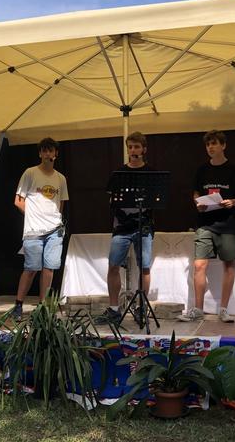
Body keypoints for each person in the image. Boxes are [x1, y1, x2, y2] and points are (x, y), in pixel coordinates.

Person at [178, 130, 235, 323]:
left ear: (223, 145)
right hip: (205, 223)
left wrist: (234, 201)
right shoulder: (201, 170)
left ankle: (223, 309)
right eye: (208, 144)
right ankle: (198, 309)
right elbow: (195, 194)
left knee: (229, 265)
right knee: (199, 264)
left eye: (214, 143)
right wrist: (197, 203)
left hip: (229, 224)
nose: (210, 147)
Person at [95, 132, 154, 325]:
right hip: (122, 227)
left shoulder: (151, 173)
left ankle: (141, 308)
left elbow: (156, 200)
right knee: (113, 266)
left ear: (144, 149)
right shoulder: (118, 174)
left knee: (144, 267)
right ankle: (114, 309)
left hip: (143, 226)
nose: (133, 150)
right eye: (130, 147)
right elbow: (111, 200)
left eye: (137, 147)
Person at [10, 137, 68, 320]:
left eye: (51, 150)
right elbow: (18, 201)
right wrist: (32, 215)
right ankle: (18, 305)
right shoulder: (30, 173)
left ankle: (43, 307)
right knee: (31, 268)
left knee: (49, 268)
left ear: (56, 154)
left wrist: (54, 219)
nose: (47, 153)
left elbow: (61, 203)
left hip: (55, 230)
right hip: (34, 230)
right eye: (44, 150)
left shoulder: (61, 178)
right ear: (40, 153)